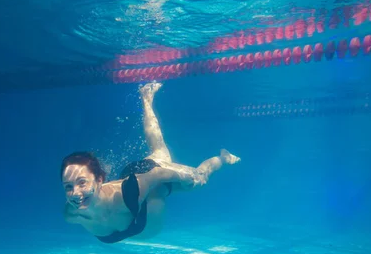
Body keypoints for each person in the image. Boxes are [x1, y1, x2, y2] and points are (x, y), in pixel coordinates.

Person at [61, 82, 240, 243]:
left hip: (147, 178)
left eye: (82, 182)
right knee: (159, 150)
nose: (75, 193)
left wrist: (185, 177)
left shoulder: (127, 196)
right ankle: (146, 98)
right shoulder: (72, 213)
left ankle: (223, 158)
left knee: (199, 178)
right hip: (136, 181)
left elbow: (158, 174)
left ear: (100, 180)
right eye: (68, 186)